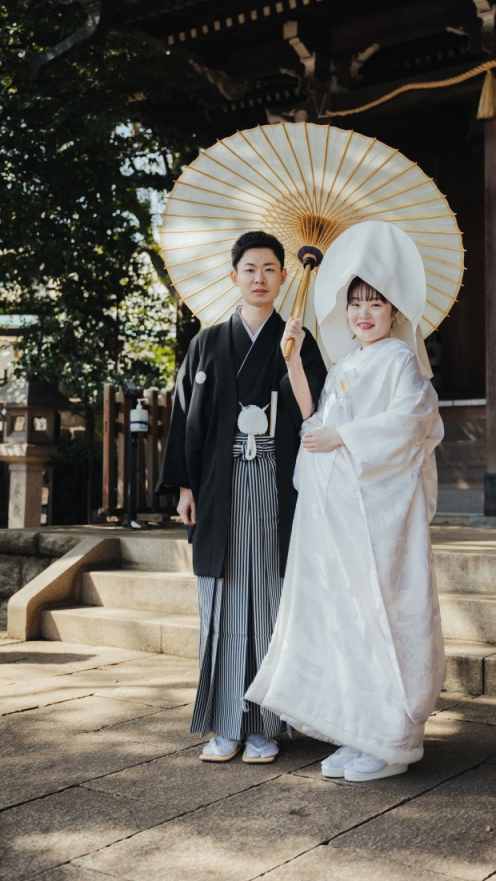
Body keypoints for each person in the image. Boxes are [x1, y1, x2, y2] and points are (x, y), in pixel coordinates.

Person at [246, 221, 446, 781]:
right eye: (355, 303)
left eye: (375, 303)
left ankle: (391, 741)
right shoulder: (347, 365)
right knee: (347, 618)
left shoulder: (400, 362)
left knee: (381, 613)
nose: (363, 314)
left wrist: (344, 438)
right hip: (342, 513)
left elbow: (410, 424)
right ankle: (360, 730)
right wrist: (291, 362)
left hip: (379, 516)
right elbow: (318, 424)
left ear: (395, 311)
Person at [157, 230, 326, 764]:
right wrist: (185, 485)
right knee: (223, 601)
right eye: (249, 269)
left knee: (271, 601)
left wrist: (294, 357)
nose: (259, 278)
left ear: (283, 276)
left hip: (275, 483)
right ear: (234, 277)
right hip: (218, 484)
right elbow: (187, 417)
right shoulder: (208, 342)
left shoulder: (297, 338)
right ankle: (225, 724)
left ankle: (265, 726)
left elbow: (317, 411)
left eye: (270, 269)